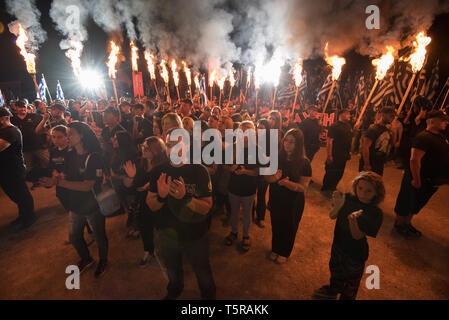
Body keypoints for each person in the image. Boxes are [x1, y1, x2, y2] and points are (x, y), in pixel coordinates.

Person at [146, 128, 215, 300]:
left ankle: (208, 295)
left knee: (202, 270)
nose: (173, 148)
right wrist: (161, 197)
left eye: (178, 144)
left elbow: (206, 207)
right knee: (172, 268)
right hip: (167, 234)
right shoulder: (157, 172)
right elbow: (151, 205)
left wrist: (186, 199)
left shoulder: (199, 171)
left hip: (195, 234)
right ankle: (175, 289)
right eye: (169, 145)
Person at [314, 171, 384, 300]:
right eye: (360, 188)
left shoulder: (375, 213)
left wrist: (352, 220)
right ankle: (333, 290)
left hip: (355, 254)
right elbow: (332, 216)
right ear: (355, 185)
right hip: (338, 244)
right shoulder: (348, 198)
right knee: (335, 271)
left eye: (369, 191)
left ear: (376, 193)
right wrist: (337, 207)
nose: (362, 193)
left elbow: (357, 236)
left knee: (350, 285)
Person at [54, 122, 109, 277]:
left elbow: (88, 185)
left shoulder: (94, 157)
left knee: (99, 237)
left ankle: (103, 260)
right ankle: (87, 258)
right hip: (75, 204)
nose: (67, 137)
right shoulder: (70, 154)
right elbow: (65, 172)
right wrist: (58, 177)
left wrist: (62, 182)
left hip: (93, 205)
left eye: (71, 133)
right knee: (74, 236)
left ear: (82, 135)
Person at [394, 110, 449, 237]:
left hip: (430, 179)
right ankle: (400, 225)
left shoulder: (440, 136)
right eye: (442, 120)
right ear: (432, 121)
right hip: (418, 178)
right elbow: (414, 160)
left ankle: (407, 224)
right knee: (406, 202)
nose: (446, 122)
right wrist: (416, 180)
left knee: (416, 203)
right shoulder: (423, 137)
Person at [265, 129, 312, 263]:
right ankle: (275, 248)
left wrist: (287, 183)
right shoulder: (276, 157)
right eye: (286, 140)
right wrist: (274, 177)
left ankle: (284, 252)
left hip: (293, 202)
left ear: (298, 144)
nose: (287, 144)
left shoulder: (304, 162)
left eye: (292, 142)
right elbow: (266, 177)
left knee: (289, 227)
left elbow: (303, 187)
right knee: (276, 224)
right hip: (276, 198)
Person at [123, 136, 168, 265]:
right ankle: (149, 250)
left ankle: (166, 252)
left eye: (147, 148)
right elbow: (128, 186)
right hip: (142, 202)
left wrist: (149, 185)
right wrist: (130, 177)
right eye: (143, 147)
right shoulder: (139, 163)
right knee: (145, 228)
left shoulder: (163, 165)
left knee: (162, 228)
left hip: (159, 202)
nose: (144, 150)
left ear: (157, 150)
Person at [0, 107, 37, 232]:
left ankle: (30, 216)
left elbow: (1, 146)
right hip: (4, 169)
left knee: (21, 194)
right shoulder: (2, 131)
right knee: (12, 193)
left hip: (14, 168)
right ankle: (23, 215)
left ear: (4, 118)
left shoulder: (12, 131)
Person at [224, 121, 259, 252]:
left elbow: (257, 171)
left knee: (246, 213)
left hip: (248, 188)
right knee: (234, 211)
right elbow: (224, 166)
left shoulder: (256, 150)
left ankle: (245, 235)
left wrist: (245, 171)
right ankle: (233, 232)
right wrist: (231, 168)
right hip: (234, 186)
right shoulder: (232, 147)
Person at [321, 109, 353, 195]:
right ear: (341, 115)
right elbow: (329, 141)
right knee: (330, 172)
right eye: (347, 114)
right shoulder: (334, 126)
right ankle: (325, 188)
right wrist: (329, 155)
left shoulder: (348, 126)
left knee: (339, 173)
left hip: (344, 155)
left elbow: (349, 138)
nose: (349, 115)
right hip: (335, 154)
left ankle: (333, 187)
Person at [359, 106, 396, 176]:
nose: (393, 118)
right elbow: (365, 147)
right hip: (371, 162)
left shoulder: (387, 129)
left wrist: (394, 133)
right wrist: (367, 164)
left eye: (393, 116)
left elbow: (392, 144)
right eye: (391, 115)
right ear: (383, 114)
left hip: (379, 162)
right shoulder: (373, 129)